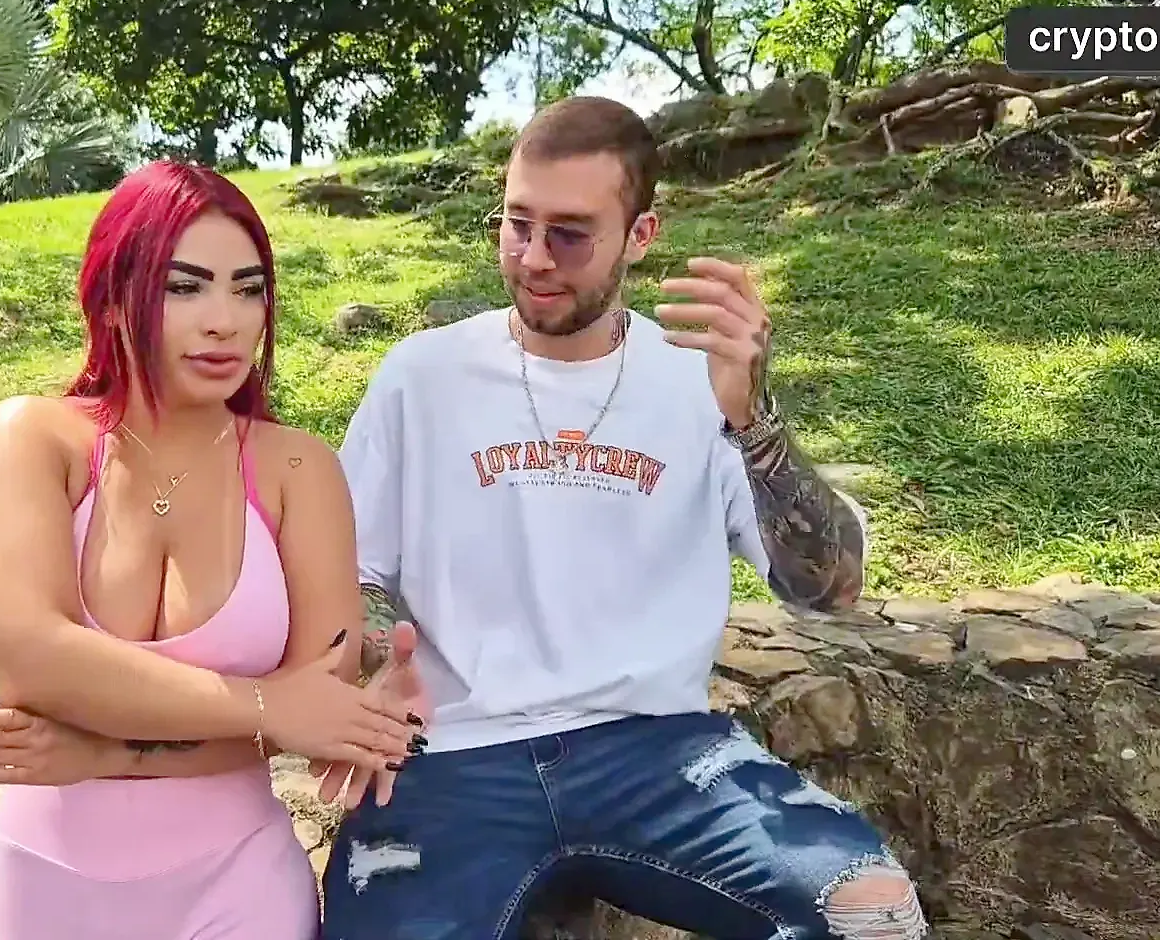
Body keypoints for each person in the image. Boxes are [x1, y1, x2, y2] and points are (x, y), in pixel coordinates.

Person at [313, 96, 930, 939]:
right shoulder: (420, 376)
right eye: (516, 224)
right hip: (453, 758)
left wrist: (754, 423)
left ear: (641, 235)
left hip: (659, 755)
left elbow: (832, 590)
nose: (534, 258)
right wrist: (378, 659)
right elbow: (346, 572)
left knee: (873, 912)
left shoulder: (696, 382)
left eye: (570, 234)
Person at [0, 160, 425, 940]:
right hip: (37, 879)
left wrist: (99, 749)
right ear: (111, 296)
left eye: (248, 289)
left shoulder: (299, 469)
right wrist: (265, 705)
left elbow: (316, 708)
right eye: (184, 287)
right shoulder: (29, 438)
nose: (225, 320)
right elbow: (28, 658)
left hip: (236, 884)